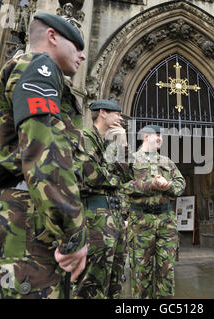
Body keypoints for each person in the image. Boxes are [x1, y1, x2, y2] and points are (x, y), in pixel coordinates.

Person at [0, 13, 88, 299]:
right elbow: (44, 152)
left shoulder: (26, 69)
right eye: (76, 45)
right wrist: (73, 234)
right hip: (26, 222)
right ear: (52, 37)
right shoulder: (40, 67)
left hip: (16, 215)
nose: (82, 56)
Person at [73, 99, 129, 299]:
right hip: (94, 219)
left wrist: (121, 147)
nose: (121, 118)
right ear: (103, 113)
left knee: (114, 284)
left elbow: (126, 178)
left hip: (113, 219)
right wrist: (113, 175)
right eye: (117, 114)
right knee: (91, 285)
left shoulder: (110, 143)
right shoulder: (85, 138)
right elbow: (93, 177)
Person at [125, 125, 186, 299]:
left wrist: (168, 186)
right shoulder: (132, 160)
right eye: (156, 135)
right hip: (140, 221)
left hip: (166, 221)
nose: (160, 138)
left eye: (162, 136)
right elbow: (122, 186)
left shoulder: (167, 162)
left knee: (166, 271)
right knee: (141, 272)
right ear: (145, 136)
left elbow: (181, 185)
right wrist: (148, 185)